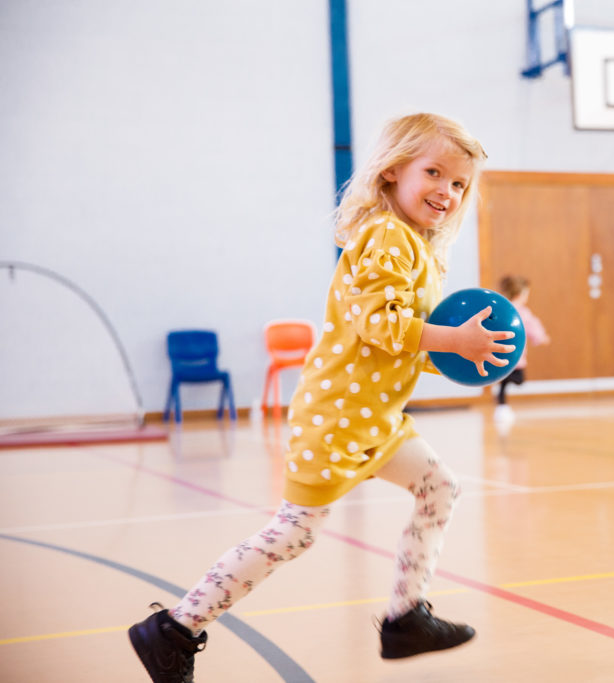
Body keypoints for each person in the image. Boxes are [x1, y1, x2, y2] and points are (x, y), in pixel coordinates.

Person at [128, 113, 514, 682]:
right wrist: (453, 338)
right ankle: (175, 629)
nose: (447, 191)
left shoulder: (419, 248)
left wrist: (457, 354)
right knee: (295, 532)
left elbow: (402, 343)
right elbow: (383, 324)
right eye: (434, 172)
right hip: (336, 418)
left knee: (439, 487)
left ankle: (406, 616)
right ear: (390, 173)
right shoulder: (386, 237)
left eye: (459, 183)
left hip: (375, 418)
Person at [493, 274, 550, 423]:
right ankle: (502, 408)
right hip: (514, 356)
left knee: (505, 382)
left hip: (500, 354)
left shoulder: (502, 309)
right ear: (520, 294)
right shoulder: (522, 312)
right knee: (518, 379)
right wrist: (542, 338)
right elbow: (532, 327)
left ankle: (502, 407)